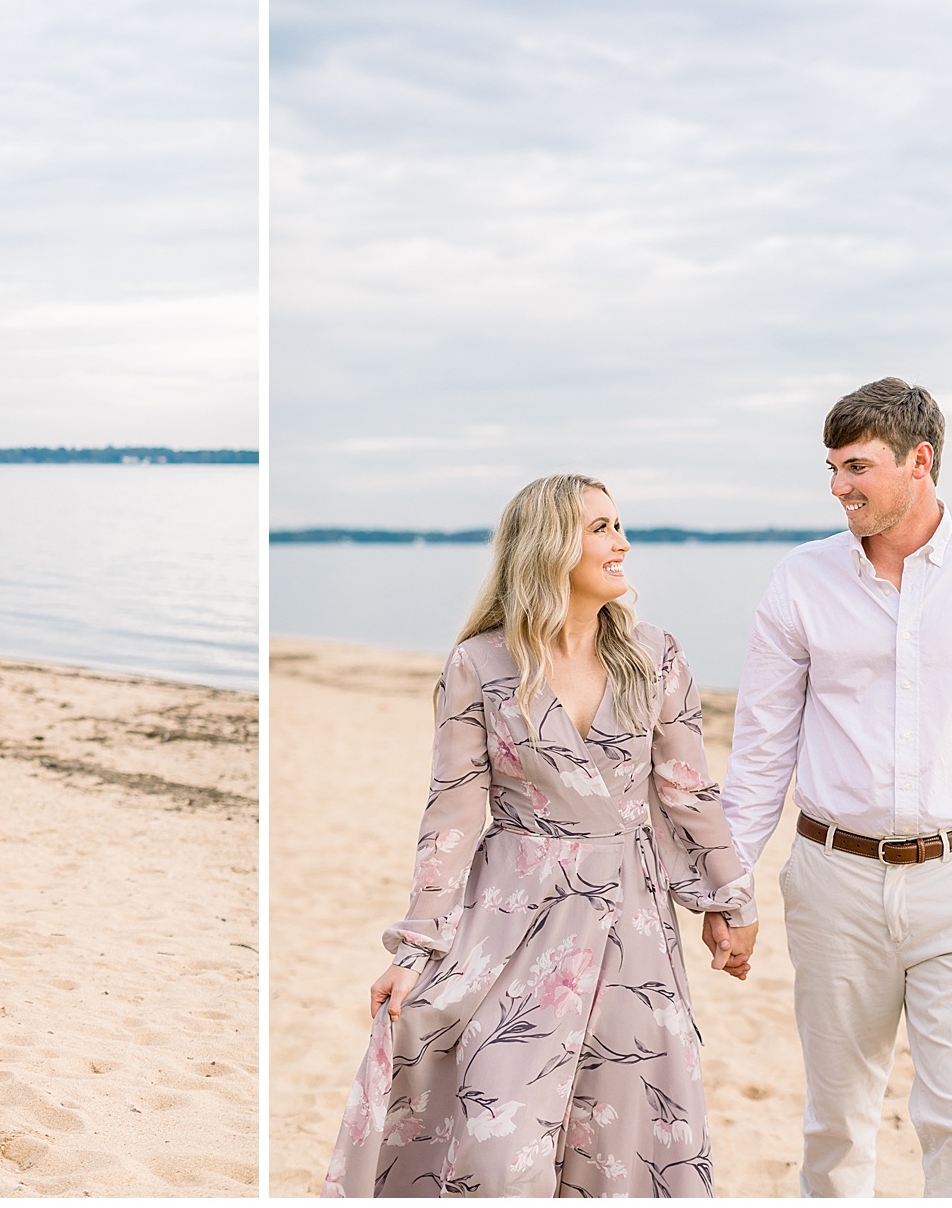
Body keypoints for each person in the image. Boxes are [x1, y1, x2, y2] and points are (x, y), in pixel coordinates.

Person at [324, 473, 758, 1198]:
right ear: (549, 547)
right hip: (513, 919)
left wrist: (727, 899)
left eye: (619, 525)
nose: (621, 543)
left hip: (633, 924)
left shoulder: (656, 656)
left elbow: (687, 794)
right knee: (499, 1146)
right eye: (600, 528)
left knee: (623, 1138)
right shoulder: (481, 664)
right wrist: (415, 946)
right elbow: (452, 814)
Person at [719, 377, 952, 1196]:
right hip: (831, 880)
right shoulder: (800, 581)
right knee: (836, 1122)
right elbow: (761, 751)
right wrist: (730, 883)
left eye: (856, 467)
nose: (838, 487)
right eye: (832, 468)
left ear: (920, 462)